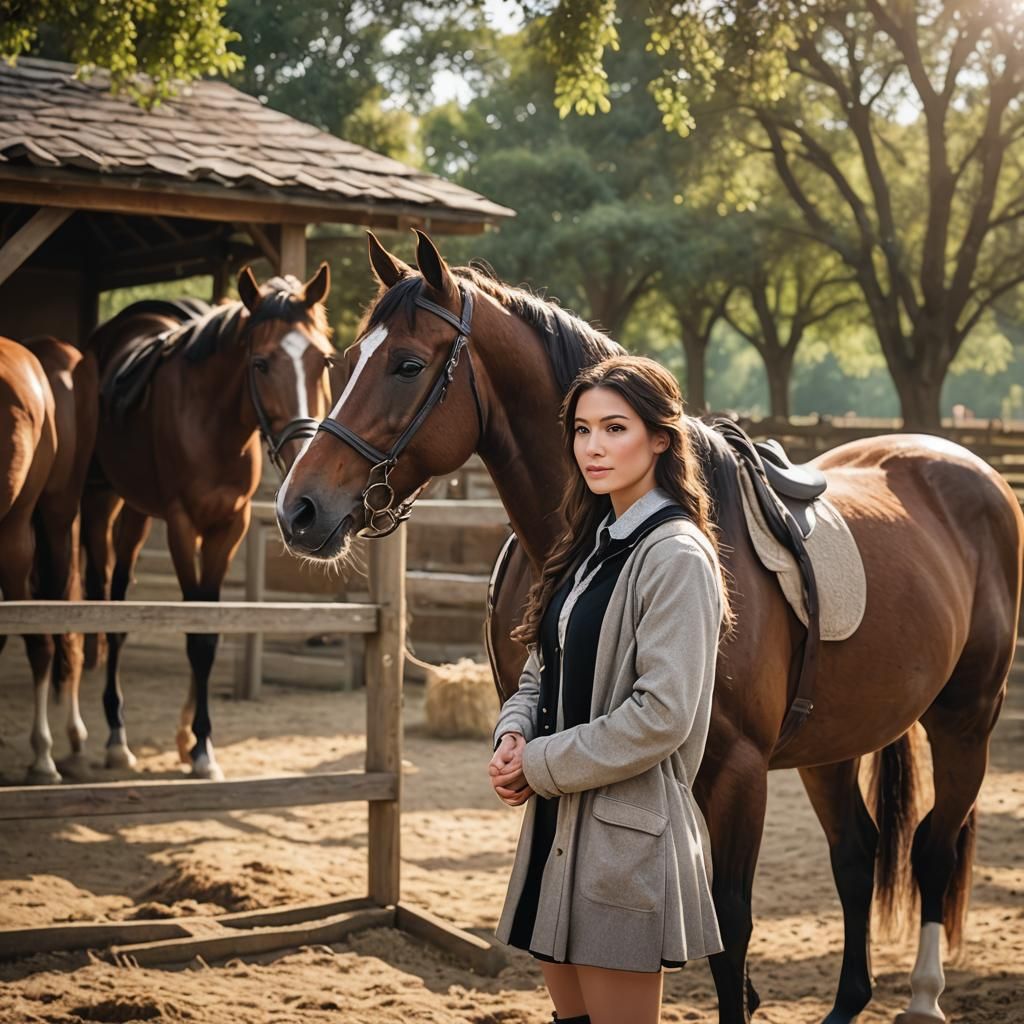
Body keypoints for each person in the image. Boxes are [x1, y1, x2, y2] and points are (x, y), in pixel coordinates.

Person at [487, 354, 732, 1024]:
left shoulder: (676, 556)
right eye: (582, 429)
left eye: (615, 428)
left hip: (626, 843)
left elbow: (663, 714)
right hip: (555, 832)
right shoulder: (591, 541)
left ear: (660, 438)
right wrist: (514, 732)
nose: (593, 447)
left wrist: (537, 765)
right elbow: (542, 665)